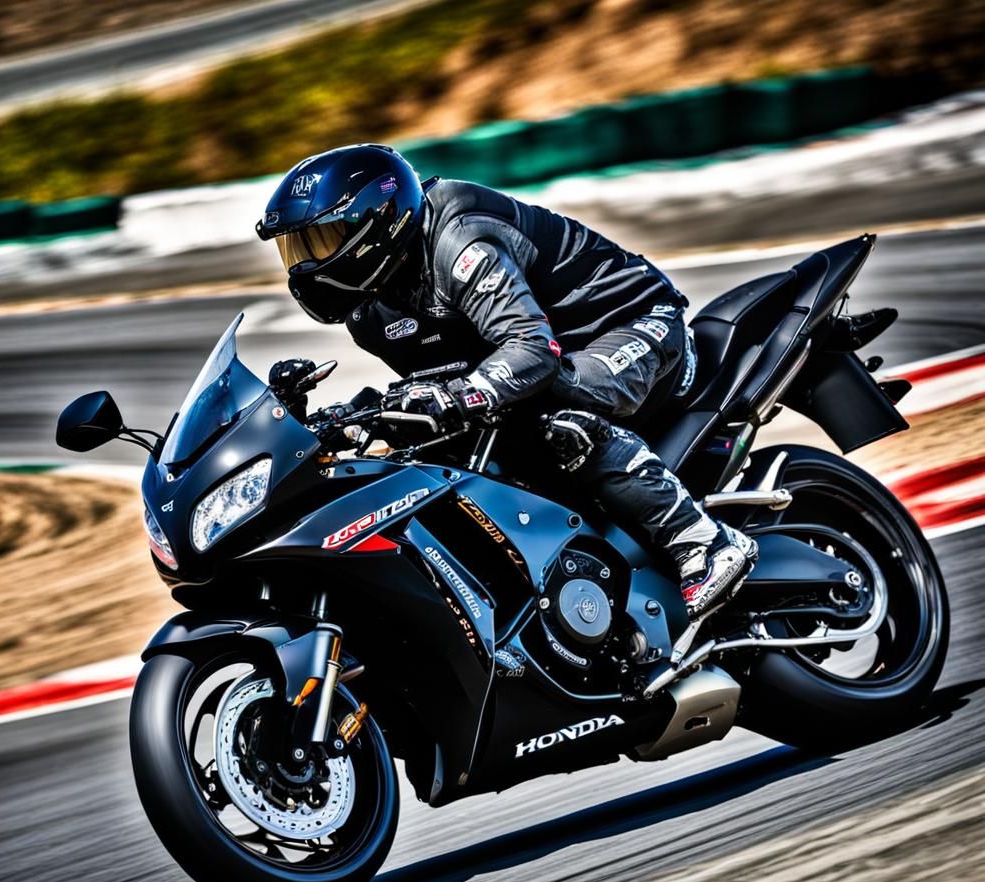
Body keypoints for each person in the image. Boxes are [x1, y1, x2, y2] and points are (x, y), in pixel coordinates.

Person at [256, 144, 757, 619]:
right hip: (542, 351)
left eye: (317, 243)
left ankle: (703, 542)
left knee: (561, 418)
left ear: (375, 221)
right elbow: (434, 381)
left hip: (628, 325)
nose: (304, 267)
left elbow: (531, 353)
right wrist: (344, 419)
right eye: (293, 250)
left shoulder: (458, 241)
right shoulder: (368, 311)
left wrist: (457, 396)